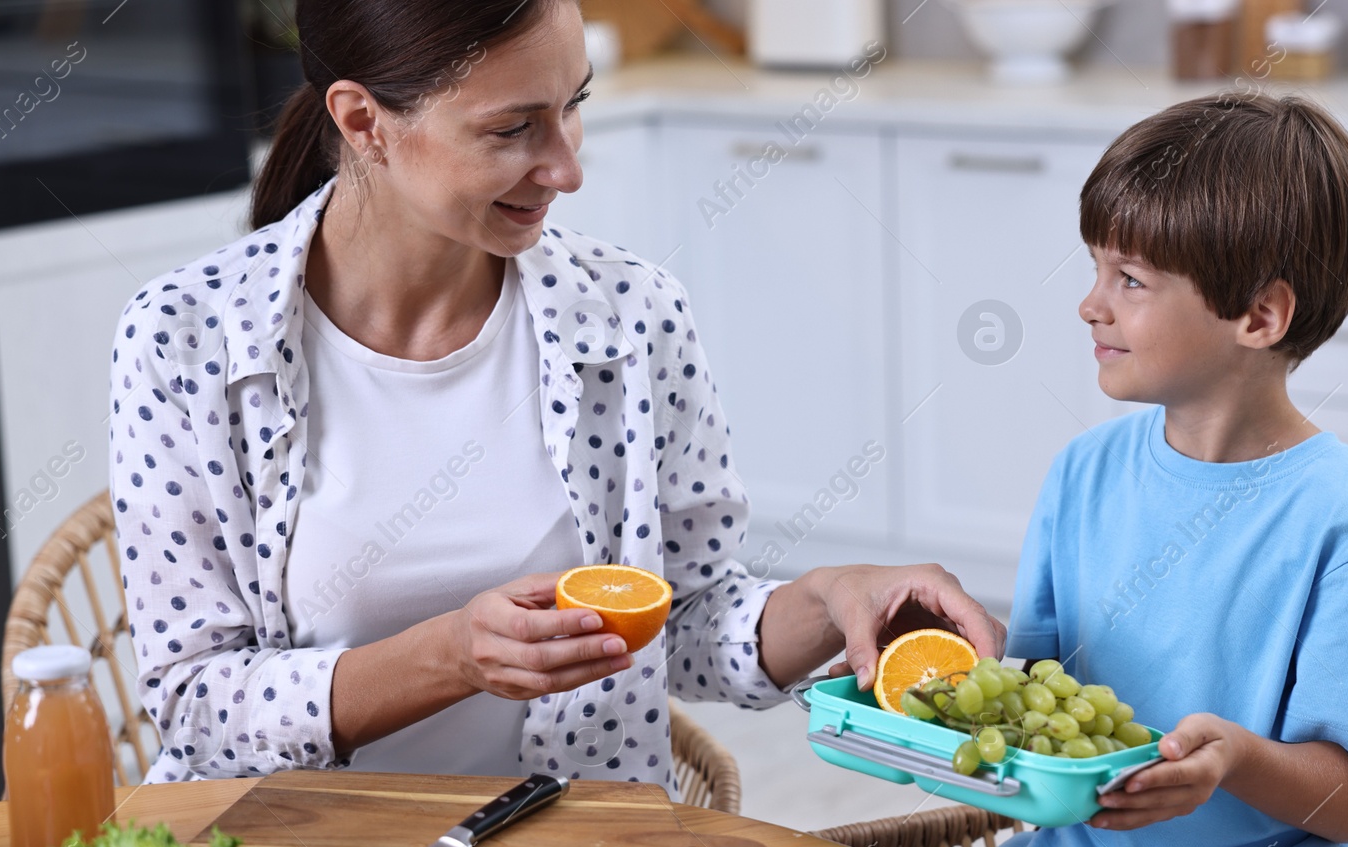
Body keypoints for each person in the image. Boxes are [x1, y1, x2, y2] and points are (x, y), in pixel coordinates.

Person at [106, 0, 1003, 785]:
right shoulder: (188, 340)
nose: (567, 168)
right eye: (511, 130)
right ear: (364, 120)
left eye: (574, 107)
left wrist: (830, 596)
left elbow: (684, 620)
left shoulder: (630, 315)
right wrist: (452, 656)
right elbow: (195, 706)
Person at [980, 92, 1348, 847]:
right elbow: (1030, 712)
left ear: (1258, 315)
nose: (1089, 303)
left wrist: (1233, 759)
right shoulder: (1082, 475)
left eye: (1129, 278)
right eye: (1096, 267)